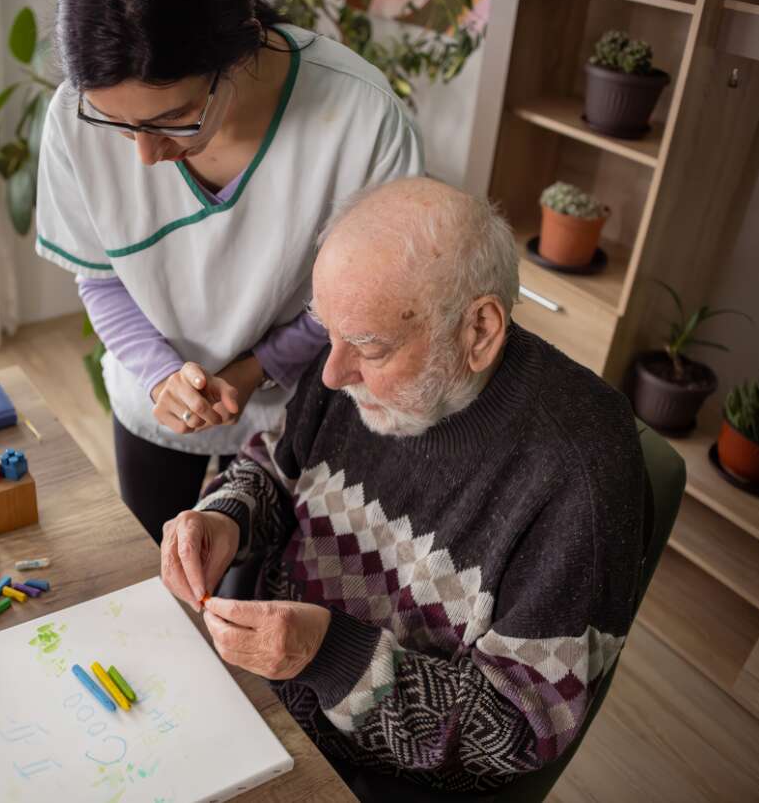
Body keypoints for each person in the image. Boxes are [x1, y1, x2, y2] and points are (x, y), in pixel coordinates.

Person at [160, 178, 646, 799]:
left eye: (370, 347)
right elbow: (273, 468)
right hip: (258, 697)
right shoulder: (351, 352)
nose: (333, 374)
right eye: (327, 332)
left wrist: (326, 655)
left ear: (479, 332)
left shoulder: (580, 475)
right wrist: (227, 517)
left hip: (373, 778)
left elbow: (520, 730)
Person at [35, 0, 423, 545]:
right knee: (159, 568)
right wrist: (162, 376)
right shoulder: (73, 118)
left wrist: (256, 370)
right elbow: (102, 276)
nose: (145, 155)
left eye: (176, 117)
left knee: (260, 588)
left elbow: (359, 299)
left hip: (296, 410)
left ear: (240, 47)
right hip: (154, 398)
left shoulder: (360, 118)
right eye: (119, 125)